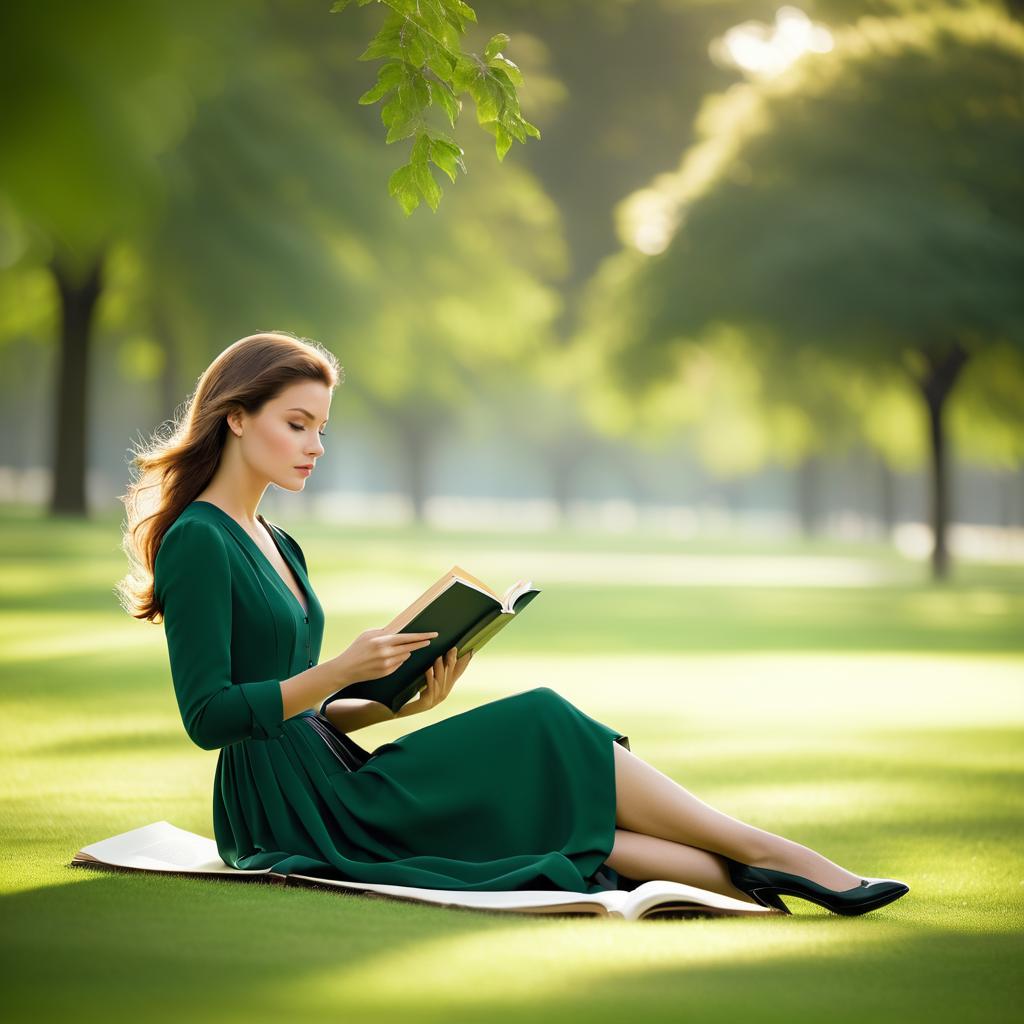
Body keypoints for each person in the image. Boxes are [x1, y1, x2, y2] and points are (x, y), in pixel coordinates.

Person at [117, 331, 909, 915]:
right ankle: (778, 853)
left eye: (323, 427)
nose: (315, 445)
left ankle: (756, 876)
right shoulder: (197, 540)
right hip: (286, 806)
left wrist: (398, 700)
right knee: (541, 723)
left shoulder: (278, 540)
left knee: (557, 807)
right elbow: (211, 717)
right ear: (235, 418)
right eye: (298, 424)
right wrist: (342, 670)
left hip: (335, 765)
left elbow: (311, 710)